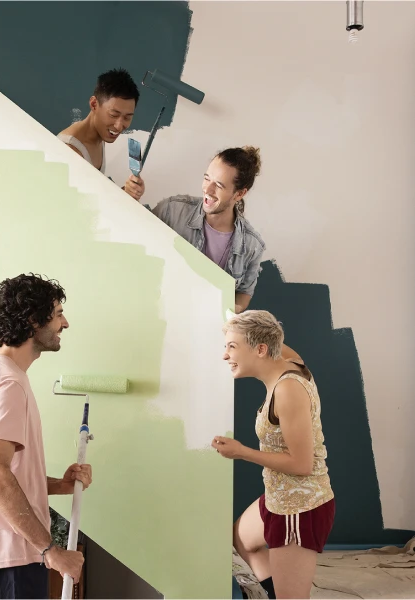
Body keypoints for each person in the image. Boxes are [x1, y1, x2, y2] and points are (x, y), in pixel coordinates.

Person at [0, 273, 92, 599]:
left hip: (11, 552)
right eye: (58, 313)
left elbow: (4, 472)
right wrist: (51, 550)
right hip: (12, 555)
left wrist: (60, 485)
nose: (65, 323)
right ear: (34, 321)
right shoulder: (8, 383)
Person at [212, 310, 335, 599]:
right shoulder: (289, 360)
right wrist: (235, 319)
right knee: (242, 540)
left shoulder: (288, 390)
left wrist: (243, 452)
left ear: (261, 350)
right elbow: (268, 333)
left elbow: (302, 464)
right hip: (278, 495)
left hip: (300, 506)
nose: (225, 356)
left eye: (232, 347)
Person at [151, 147, 265, 314]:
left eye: (218, 185)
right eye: (207, 179)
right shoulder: (170, 210)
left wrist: (228, 310)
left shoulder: (252, 245)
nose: (208, 189)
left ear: (239, 194)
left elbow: (244, 293)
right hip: (156, 312)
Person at [58, 68, 145, 201]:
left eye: (127, 117)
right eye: (113, 115)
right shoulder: (70, 151)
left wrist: (127, 192)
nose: (119, 126)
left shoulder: (100, 135)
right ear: (94, 104)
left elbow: (93, 196)